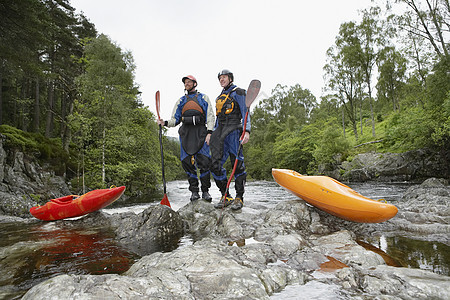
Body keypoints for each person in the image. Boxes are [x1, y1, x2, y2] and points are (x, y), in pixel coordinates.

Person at [157, 75, 215, 202]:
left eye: (189, 82)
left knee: (204, 162)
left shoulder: (203, 98)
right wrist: (164, 123)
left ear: (195, 84)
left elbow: (210, 116)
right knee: (187, 163)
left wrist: (210, 133)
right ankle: (194, 191)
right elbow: (175, 120)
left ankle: (205, 191)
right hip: (186, 133)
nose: (187, 84)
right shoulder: (181, 101)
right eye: (185, 82)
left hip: (201, 132)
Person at [210, 69, 250, 210]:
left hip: (234, 130)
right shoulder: (220, 97)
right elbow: (217, 119)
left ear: (230, 78)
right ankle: (225, 195)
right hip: (220, 131)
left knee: (237, 164)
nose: (222, 80)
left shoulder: (239, 92)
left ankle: (239, 197)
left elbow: (245, 112)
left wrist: (247, 131)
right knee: (214, 164)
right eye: (220, 78)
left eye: (224, 77)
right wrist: (213, 134)